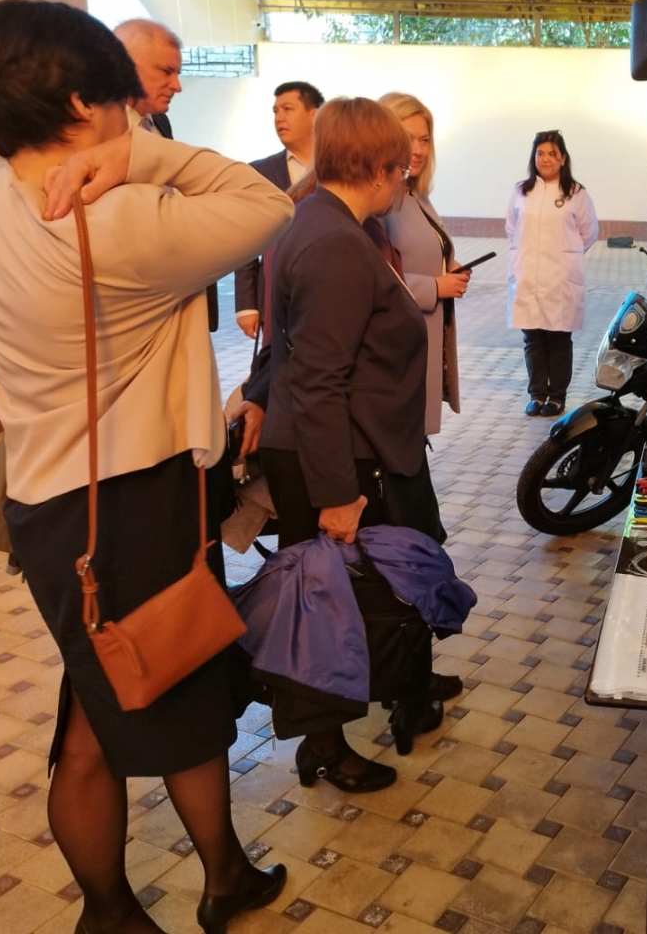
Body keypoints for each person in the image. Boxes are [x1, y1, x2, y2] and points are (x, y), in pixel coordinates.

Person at [0, 0, 293, 934]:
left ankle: (206, 878)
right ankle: (124, 907)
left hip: (48, 505)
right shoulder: (129, 217)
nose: (136, 115)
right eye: (126, 101)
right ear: (86, 105)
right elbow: (266, 201)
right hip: (139, 499)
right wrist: (141, 159)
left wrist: (39, 385)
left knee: (110, 688)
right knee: (157, 684)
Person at [258, 97, 452, 792]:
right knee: (323, 607)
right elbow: (318, 380)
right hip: (339, 457)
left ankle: (363, 709)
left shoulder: (324, 221)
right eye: (400, 166)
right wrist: (339, 495)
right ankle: (322, 745)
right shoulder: (337, 243)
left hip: (352, 446)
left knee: (343, 596)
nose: (405, 177)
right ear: (377, 168)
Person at [113, 18, 220, 333]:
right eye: (166, 71)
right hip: (132, 304)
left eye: (178, 73)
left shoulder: (159, 123)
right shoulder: (97, 132)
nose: (177, 86)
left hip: (177, 291)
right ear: (125, 65)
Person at [378, 91, 467, 435]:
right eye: (408, 138)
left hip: (424, 336)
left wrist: (449, 266)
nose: (417, 149)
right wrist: (435, 286)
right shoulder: (380, 202)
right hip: (398, 347)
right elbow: (377, 276)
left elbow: (423, 250)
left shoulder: (416, 195)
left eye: (424, 140)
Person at [505, 130, 599, 417]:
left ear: (563, 159)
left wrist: (565, 257)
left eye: (552, 154)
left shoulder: (576, 193)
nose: (545, 159)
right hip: (527, 277)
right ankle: (536, 394)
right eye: (540, 153)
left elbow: (589, 232)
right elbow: (511, 228)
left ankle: (556, 396)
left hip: (560, 279)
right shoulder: (522, 191)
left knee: (558, 339)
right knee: (533, 338)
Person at [235, 81, 325, 340]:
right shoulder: (259, 172)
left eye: (287, 109)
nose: (279, 118)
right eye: (275, 111)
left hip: (328, 287)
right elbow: (247, 238)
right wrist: (246, 304)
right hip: (276, 295)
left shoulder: (337, 166)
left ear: (314, 115)